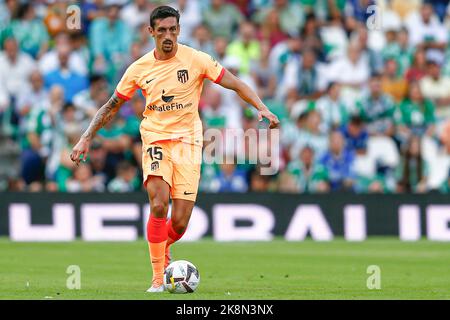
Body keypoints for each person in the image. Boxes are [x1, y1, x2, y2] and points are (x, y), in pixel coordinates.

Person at [70, 6, 279, 293]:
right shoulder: (139, 68)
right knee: (158, 203)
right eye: (162, 30)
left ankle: (160, 245)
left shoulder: (196, 59)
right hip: (155, 139)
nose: (168, 35)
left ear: (179, 29)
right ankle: (158, 279)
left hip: (189, 144)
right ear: (151, 32)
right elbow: (111, 107)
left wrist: (262, 107)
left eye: (173, 29)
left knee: (179, 224)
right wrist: (86, 137)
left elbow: (234, 83)